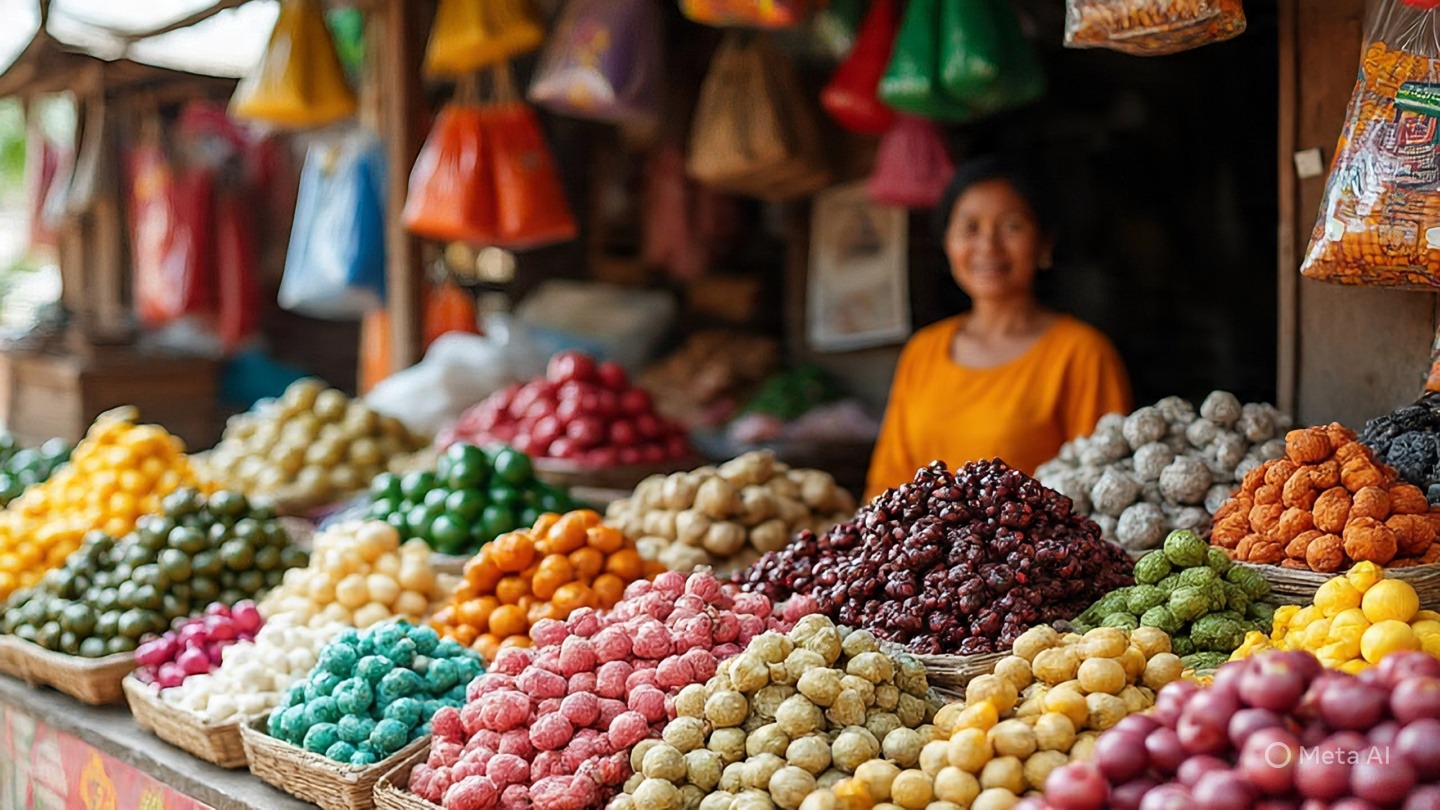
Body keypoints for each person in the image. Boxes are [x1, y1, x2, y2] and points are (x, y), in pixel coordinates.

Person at [865, 155, 1132, 500]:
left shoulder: (1082, 353)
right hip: (918, 552)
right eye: (970, 228)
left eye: (1011, 226)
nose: (988, 246)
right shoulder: (923, 350)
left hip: (1035, 554)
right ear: (947, 243)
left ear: (1044, 244)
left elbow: (1107, 493)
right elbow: (886, 487)